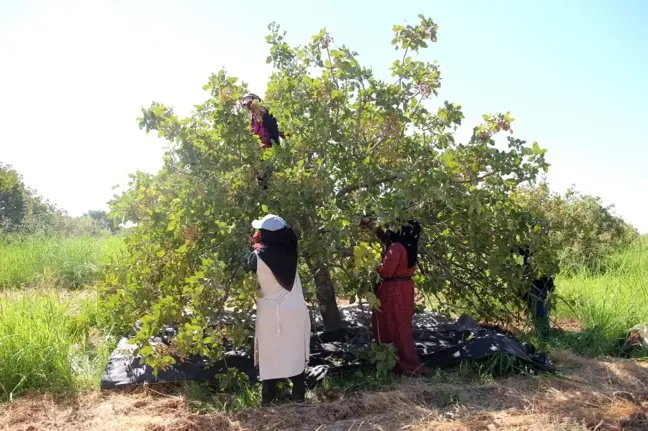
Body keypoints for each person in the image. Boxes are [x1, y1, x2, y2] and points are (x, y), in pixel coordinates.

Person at [246, 214, 311, 405]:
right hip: (295, 310)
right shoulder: (291, 252)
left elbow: (248, 270)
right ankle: (298, 394)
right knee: (294, 350)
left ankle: (268, 396)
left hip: (269, 312)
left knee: (270, 352)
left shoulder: (256, 257)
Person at [364, 219, 426, 377]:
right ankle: (406, 360)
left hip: (392, 290)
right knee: (402, 325)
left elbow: (386, 271)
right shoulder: (410, 246)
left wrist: (371, 264)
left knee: (388, 324)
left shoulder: (396, 248)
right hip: (405, 288)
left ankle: (394, 362)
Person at [517, 245, 554, 338]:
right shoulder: (532, 242)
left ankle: (544, 335)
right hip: (530, 281)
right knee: (535, 309)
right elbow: (518, 250)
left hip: (539, 283)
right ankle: (541, 333)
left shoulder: (539, 243)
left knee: (539, 309)